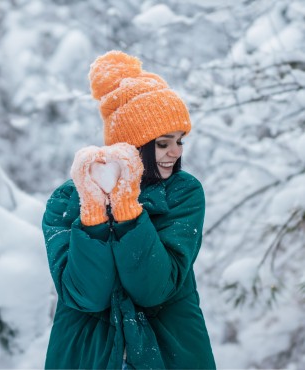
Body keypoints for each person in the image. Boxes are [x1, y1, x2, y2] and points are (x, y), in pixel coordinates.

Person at [42, 50, 216, 369]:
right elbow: (86, 296)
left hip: (170, 354)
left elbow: (155, 289)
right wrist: (93, 212)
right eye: (163, 143)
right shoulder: (65, 203)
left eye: (180, 140)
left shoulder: (183, 193)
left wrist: (127, 211)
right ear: (135, 145)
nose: (175, 152)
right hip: (87, 357)